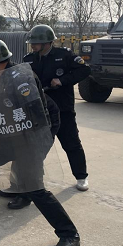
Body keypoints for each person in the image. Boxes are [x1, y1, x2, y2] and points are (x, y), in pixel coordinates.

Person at [0, 38, 81, 246]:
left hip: (36, 128)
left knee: (33, 184)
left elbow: (34, 116)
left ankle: (69, 234)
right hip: (11, 129)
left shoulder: (22, 79)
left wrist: (22, 149)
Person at [24, 24, 91, 191]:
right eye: (32, 43)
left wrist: (62, 81)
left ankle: (81, 176)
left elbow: (84, 70)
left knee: (71, 143)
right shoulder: (29, 60)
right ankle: (32, 180)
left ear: (47, 42)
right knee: (36, 147)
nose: (33, 46)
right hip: (40, 111)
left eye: (36, 43)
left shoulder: (64, 55)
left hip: (63, 109)